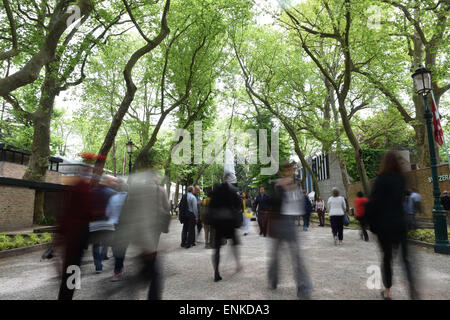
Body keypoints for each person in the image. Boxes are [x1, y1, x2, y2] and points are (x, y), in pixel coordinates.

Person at [365, 150, 419, 300]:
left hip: (384, 226)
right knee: (405, 258)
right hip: (399, 224)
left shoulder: (380, 180)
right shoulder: (401, 180)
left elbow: (373, 204)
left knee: (387, 258)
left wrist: (372, 226)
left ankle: (387, 292)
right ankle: (411, 287)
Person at [113, 167, 171, 300]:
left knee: (148, 268)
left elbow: (127, 212)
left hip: (136, 234)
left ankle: (133, 282)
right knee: (155, 273)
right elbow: (167, 207)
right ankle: (131, 286)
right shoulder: (160, 190)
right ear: (155, 177)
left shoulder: (135, 191)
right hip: (150, 233)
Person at [267, 161, 312, 299]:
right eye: (289, 169)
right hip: (279, 222)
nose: (291, 171)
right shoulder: (279, 184)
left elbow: (301, 205)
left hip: (290, 223)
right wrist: (280, 189)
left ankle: (303, 288)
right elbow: (272, 202)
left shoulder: (295, 184)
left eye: (292, 169)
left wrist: (291, 188)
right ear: (284, 170)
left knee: (296, 256)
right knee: (275, 254)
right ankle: (273, 278)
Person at [208, 172, 243, 282]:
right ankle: (237, 264)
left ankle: (216, 272)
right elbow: (239, 205)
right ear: (230, 179)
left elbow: (211, 205)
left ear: (223, 178)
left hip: (218, 222)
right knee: (234, 244)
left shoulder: (216, 189)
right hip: (230, 221)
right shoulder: (233, 190)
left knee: (217, 248)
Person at [89, 176, 118, 274]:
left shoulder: (92, 192)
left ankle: (98, 266)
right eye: (113, 181)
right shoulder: (112, 193)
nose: (115, 183)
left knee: (96, 245)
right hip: (108, 223)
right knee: (114, 243)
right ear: (108, 181)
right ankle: (116, 265)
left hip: (95, 223)